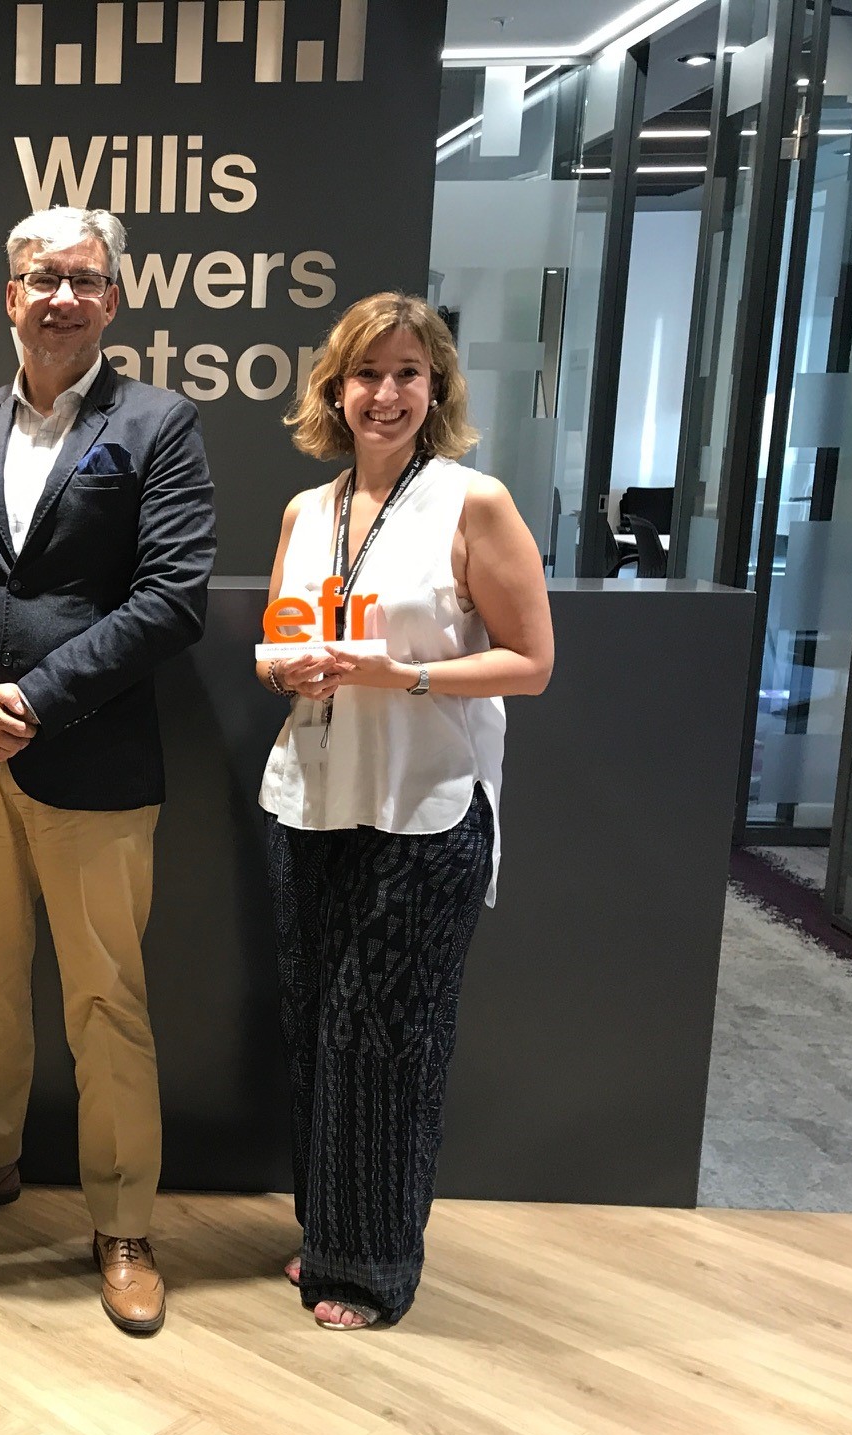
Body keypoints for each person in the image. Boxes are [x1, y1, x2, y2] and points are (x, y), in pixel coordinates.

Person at [0, 206, 216, 1336]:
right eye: (42, 277)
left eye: (84, 279)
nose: (62, 296)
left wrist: (33, 699)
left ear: (113, 301)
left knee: (106, 999)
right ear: (10, 296)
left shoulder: (158, 424)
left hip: (91, 761)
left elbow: (171, 598)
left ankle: (123, 1223)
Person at [257, 292, 554, 1329]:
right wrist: (290, 671)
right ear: (334, 389)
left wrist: (404, 674)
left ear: (437, 389)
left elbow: (533, 662)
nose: (385, 394)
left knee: (385, 1037)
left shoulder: (475, 503)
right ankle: (329, 1233)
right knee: (315, 1025)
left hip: (426, 807)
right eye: (367, 374)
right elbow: (283, 642)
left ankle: (374, 1267)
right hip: (311, 797)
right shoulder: (308, 510)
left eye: (407, 375)